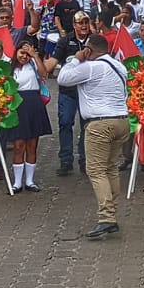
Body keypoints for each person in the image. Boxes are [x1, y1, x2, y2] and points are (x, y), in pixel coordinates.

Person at [57, 34, 129, 239]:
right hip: (121, 121)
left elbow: (63, 78)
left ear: (89, 50)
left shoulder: (91, 67)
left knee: (96, 170)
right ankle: (112, 213)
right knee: (111, 168)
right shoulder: (118, 66)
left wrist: (75, 59)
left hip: (100, 124)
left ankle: (107, 218)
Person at [45, 11, 94, 175]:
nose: (84, 25)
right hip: (68, 92)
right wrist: (40, 65)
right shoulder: (65, 41)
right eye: (80, 23)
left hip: (88, 91)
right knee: (65, 123)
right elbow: (53, 62)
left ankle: (85, 160)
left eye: (86, 22)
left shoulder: (94, 40)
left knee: (87, 126)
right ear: (74, 25)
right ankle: (65, 160)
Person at [6, 41, 53, 193]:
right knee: (19, 145)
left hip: (34, 105)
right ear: (16, 52)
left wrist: (35, 55)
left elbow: (44, 73)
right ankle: (17, 182)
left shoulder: (33, 64)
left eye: (27, 54)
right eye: (22, 53)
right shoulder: (10, 68)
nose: (24, 57)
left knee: (32, 145)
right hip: (18, 106)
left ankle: (30, 181)